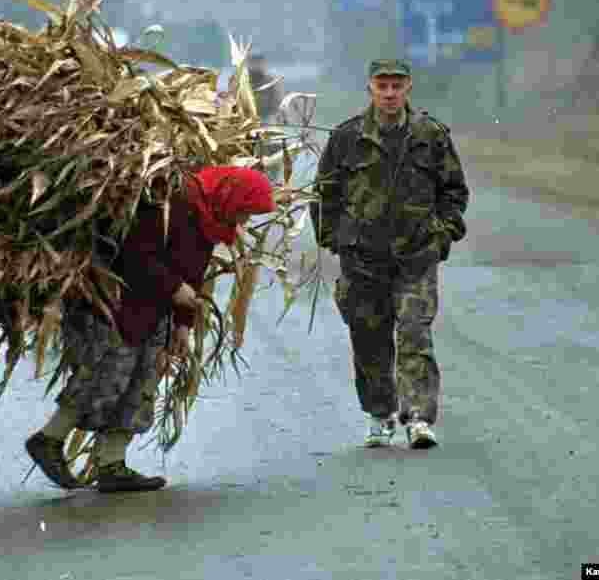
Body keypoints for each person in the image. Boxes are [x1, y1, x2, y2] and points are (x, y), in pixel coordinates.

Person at [25, 165, 276, 492]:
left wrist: (183, 326)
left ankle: (112, 464)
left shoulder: (211, 223)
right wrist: (173, 287)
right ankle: (49, 439)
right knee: (104, 377)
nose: (243, 221)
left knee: (142, 384)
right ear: (229, 196)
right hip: (116, 305)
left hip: (156, 313)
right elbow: (133, 253)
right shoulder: (169, 204)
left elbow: (193, 276)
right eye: (244, 211)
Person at [310, 59, 469, 449]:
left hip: (416, 256)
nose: (390, 93)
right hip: (363, 260)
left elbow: (453, 190)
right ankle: (380, 414)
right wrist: (335, 239)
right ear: (370, 87)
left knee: (414, 333)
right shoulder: (348, 137)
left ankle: (418, 418)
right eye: (382, 86)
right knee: (369, 339)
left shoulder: (430, 134)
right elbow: (325, 193)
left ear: (408, 87)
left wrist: (442, 235)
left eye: (397, 86)